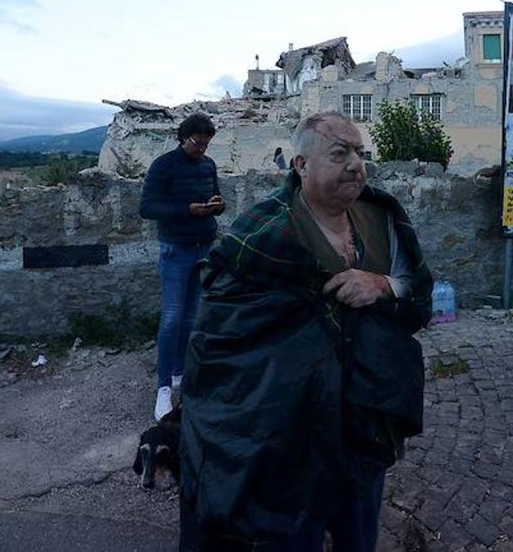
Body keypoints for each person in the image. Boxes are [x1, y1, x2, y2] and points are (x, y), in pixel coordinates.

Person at [179, 111, 433, 552]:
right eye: (340, 154)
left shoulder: (381, 217)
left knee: (358, 529)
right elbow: (221, 336)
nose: (356, 164)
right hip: (285, 427)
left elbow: (422, 294)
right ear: (300, 165)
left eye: (360, 152)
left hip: (362, 415)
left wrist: (382, 285)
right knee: (294, 530)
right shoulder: (262, 231)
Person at [140, 113, 225, 421]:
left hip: (204, 246)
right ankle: (163, 387)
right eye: (197, 143)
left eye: (206, 144)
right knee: (172, 318)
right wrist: (187, 210)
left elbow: (216, 197)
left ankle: (180, 374)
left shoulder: (208, 165)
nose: (202, 149)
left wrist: (217, 206)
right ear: (183, 138)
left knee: (192, 317)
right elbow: (147, 208)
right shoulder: (164, 165)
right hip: (176, 249)